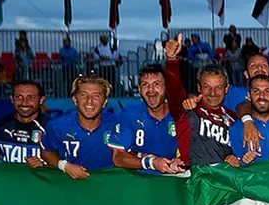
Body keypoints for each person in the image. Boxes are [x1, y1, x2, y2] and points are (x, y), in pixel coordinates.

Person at [107, 37, 187, 175]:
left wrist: (180, 160)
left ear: (166, 88)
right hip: (141, 183)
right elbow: (118, 157)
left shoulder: (180, 113)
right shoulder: (129, 114)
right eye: (145, 85)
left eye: (156, 84)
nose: (151, 90)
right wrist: (150, 163)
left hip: (175, 181)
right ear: (138, 89)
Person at [40, 75, 118, 179]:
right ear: (75, 100)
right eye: (83, 95)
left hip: (110, 185)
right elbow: (46, 151)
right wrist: (64, 166)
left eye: (96, 96)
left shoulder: (119, 124)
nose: (89, 101)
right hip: (71, 187)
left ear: (104, 103)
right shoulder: (57, 126)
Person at [0, 80, 48, 166]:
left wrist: (44, 166)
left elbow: (63, 162)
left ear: (41, 100)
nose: (24, 103)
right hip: (9, 179)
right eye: (18, 97)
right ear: (12, 99)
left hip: (40, 179)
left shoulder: (52, 128)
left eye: (31, 98)